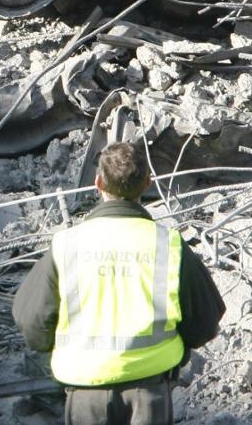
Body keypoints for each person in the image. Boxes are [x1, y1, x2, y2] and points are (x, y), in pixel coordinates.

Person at [13, 142, 225, 425]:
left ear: (98, 182)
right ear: (148, 184)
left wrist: (54, 349)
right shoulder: (169, 245)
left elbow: (32, 322)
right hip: (149, 391)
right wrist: (179, 350)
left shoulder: (66, 245)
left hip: (84, 394)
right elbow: (205, 321)